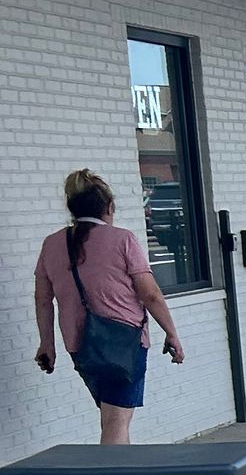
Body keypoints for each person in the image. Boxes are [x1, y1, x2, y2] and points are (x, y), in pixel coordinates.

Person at [33, 170, 184, 445]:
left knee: (112, 417)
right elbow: (150, 294)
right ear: (109, 207)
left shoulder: (52, 244)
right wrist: (171, 333)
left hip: (79, 345)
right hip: (123, 342)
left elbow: (43, 299)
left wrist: (47, 344)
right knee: (116, 421)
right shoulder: (122, 239)